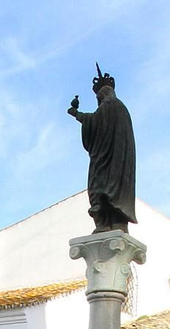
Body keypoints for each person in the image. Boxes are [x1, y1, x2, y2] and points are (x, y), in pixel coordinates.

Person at [66, 66, 137, 233]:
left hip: (107, 162)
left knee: (100, 189)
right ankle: (115, 223)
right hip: (115, 160)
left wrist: (76, 114)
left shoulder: (110, 106)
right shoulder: (121, 109)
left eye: (99, 98)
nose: (98, 103)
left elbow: (95, 120)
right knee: (109, 190)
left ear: (104, 95)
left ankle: (106, 222)